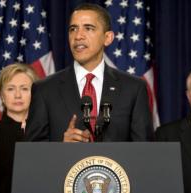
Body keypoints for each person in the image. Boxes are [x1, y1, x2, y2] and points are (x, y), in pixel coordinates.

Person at [25, 3, 153, 142]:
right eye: (73, 29)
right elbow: (32, 155)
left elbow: (144, 152)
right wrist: (60, 148)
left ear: (108, 38)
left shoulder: (134, 88)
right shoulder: (44, 89)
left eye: (88, 28)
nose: (78, 36)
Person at [0, 64, 38, 193]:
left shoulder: (48, 132)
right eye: (10, 89)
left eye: (25, 89)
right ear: (2, 95)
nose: (18, 95)